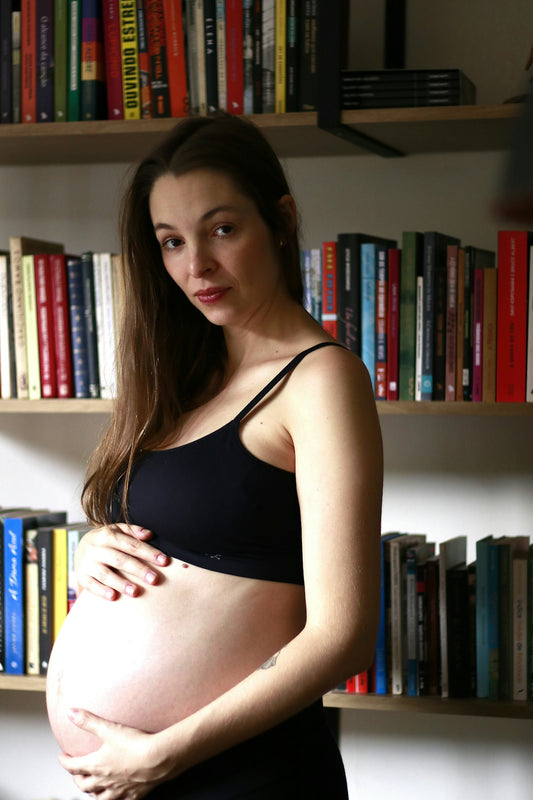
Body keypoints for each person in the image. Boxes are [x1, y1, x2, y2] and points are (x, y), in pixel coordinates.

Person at [49, 113, 383, 800]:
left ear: (280, 220)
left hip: (242, 775)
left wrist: (163, 754)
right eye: (171, 241)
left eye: (221, 229)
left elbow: (343, 637)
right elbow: (188, 533)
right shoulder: (183, 380)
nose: (194, 265)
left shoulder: (319, 379)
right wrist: (94, 551)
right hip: (144, 777)